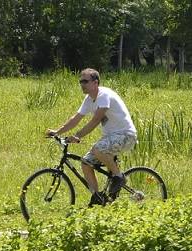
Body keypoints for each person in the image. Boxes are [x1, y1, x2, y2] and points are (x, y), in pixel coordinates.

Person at [47, 68, 137, 206]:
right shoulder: (89, 99)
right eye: (80, 81)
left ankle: (119, 177)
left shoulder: (104, 95)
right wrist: (57, 132)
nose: (82, 84)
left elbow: (95, 120)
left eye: (85, 81)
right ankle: (98, 198)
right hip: (111, 137)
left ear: (95, 83)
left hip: (125, 135)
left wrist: (77, 135)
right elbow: (76, 118)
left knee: (97, 149)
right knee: (86, 162)